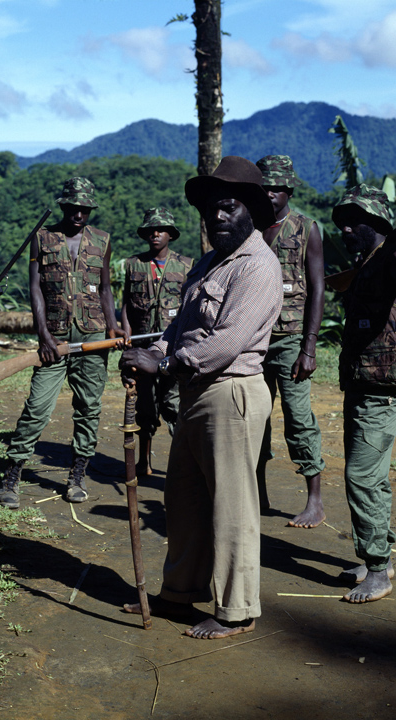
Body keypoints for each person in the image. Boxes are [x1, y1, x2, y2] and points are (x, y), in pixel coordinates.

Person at [120, 156, 282, 639]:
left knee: (231, 506)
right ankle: (179, 592)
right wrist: (153, 353)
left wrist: (165, 365)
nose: (218, 216)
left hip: (230, 392)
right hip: (195, 393)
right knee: (183, 500)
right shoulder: (209, 263)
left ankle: (236, 610)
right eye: (212, 209)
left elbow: (226, 342)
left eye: (229, 207)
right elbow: (180, 327)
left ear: (251, 211)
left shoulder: (257, 267)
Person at [0, 177, 125, 508]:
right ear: (63, 206)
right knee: (37, 407)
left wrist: (113, 326)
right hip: (54, 337)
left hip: (93, 335)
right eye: (72, 208)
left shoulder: (102, 240)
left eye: (84, 209)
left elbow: (106, 288)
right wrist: (43, 335)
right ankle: (12, 475)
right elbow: (35, 288)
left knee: (89, 408)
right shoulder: (42, 238)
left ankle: (77, 476)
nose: (78, 215)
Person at [331, 184, 396, 603]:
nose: (345, 229)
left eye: (353, 222)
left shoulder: (393, 255)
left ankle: (376, 569)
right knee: (372, 476)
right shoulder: (366, 260)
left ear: (375, 222)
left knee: (361, 477)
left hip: (386, 386)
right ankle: (379, 559)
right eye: (342, 223)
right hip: (364, 381)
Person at [254, 155, 327, 528]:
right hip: (253, 339)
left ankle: (314, 500)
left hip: (290, 341)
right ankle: (257, 493)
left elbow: (318, 289)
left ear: (289, 191)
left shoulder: (305, 229)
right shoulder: (250, 229)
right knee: (255, 417)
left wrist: (308, 347)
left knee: (298, 418)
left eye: (277, 188)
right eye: (264, 187)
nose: (270, 194)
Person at [120, 207, 193, 475]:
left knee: (173, 404)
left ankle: (183, 465)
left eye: (161, 230)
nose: (156, 234)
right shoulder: (134, 264)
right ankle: (144, 462)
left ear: (170, 234)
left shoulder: (186, 265)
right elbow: (126, 303)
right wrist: (126, 334)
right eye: (151, 230)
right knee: (145, 406)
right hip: (141, 347)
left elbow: (191, 306)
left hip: (172, 347)